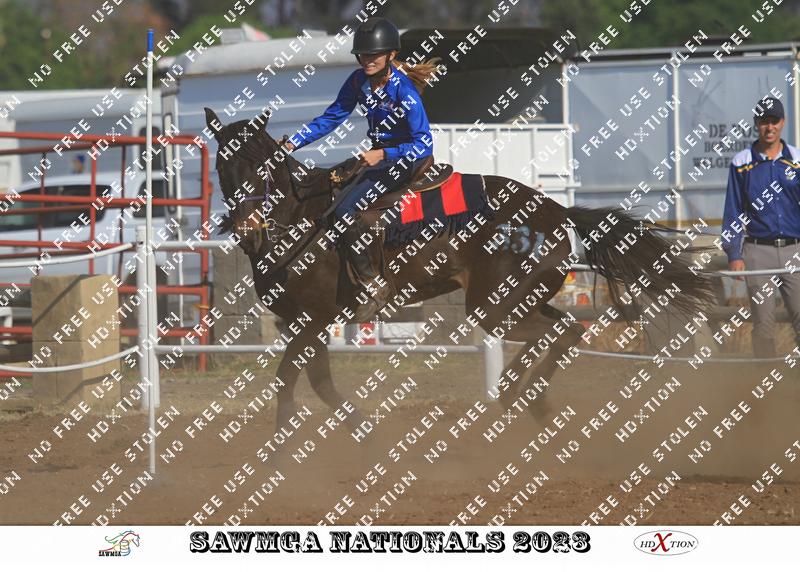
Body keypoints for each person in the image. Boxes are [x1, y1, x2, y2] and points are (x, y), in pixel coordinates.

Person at [281, 17, 439, 321]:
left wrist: (384, 153)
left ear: (391, 55)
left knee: (344, 212)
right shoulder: (357, 82)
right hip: (379, 157)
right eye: (363, 55)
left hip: (405, 160)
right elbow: (332, 118)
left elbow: (424, 145)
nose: (367, 60)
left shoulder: (404, 91)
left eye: (374, 55)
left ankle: (374, 286)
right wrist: (291, 144)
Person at [721, 95, 800, 357]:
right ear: (756, 124)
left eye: (774, 121)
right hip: (757, 253)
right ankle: (765, 378)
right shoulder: (742, 163)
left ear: (783, 122)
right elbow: (733, 210)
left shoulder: (797, 159)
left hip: (795, 251)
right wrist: (734, 254)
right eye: (764, 121)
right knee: (763, 325)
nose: (770, 127)